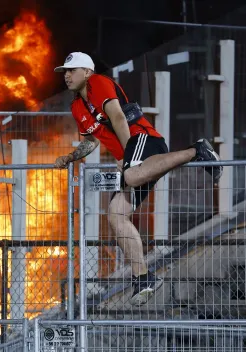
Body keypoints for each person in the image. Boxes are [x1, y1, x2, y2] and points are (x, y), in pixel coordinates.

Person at [54, 52, 223, 306]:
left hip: (143, 140)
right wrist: (70, 157)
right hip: (134, 158)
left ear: (87, 72)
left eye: (72, 70)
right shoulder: (76, 106)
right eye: (64, 72)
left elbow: (119, 117)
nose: (66, 75)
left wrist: (129, 158)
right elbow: (90, 142)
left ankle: (196, 150)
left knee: (132, 175)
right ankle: (144, 277)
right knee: (115, 214)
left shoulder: (98, 82)